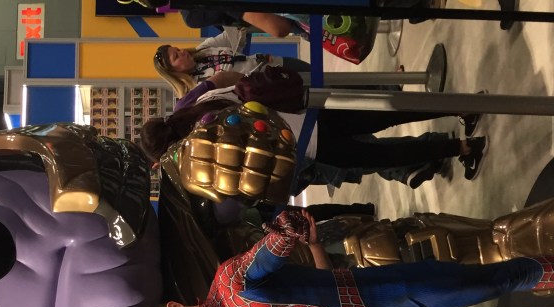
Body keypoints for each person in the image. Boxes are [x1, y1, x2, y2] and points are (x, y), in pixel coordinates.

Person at [140, 209, 554, 307]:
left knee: (499, 279)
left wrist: (285, 232)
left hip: (389, 294)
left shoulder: (228, 281)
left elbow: (266, 256)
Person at [139, 86, 486, 185]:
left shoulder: (202, 149)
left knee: (384, 157)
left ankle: (463, 146)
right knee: (391, 113)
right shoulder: (204, 102)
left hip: (309, 147)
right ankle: (463, 105)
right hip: (313, 111)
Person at [153, 28, 308, 99]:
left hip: (276, 64)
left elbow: (232, 33)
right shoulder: (198, 89)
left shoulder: (204, 50)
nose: (183, 52)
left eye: (178, 50)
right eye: (177, 56)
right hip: (271, 89)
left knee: (318, 75)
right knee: (317, 96)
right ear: (174, 71)